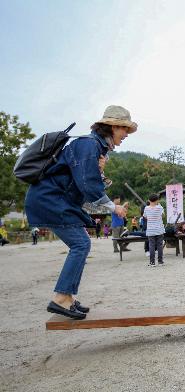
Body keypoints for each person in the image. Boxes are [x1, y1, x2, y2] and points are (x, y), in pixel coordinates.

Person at [24, 105, 136, 319]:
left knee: (82, 242)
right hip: (50, 200)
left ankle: (68, 298)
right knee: (81, 244)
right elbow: (88, 185)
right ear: (113, 126)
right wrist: (114, 207)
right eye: (125, 130)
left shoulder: (93, 147)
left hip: (56, 200)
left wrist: (100, 170)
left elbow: (84, 181)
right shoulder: (88, 144)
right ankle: (61, 298)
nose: (126, 135)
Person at [143, 194, 165, 266]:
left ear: (149, 200)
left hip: (150, 229)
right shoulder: (160, 207)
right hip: (159, 229)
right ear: (157, 200)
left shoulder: (146, 208)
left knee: (151, 245)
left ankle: (152, 262)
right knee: (160, 245)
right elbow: (163, 216)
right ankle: (160, 261)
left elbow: (145, 217)